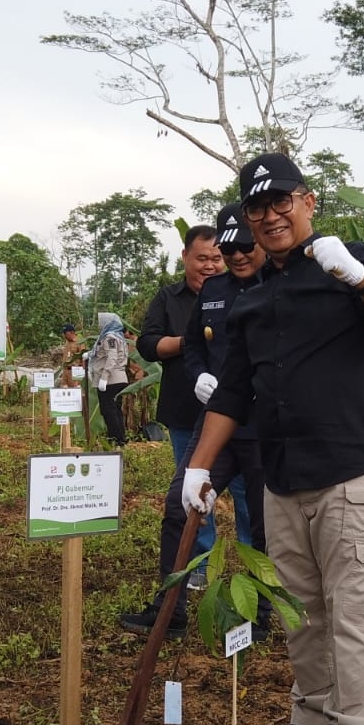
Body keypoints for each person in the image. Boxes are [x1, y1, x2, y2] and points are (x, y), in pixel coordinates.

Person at [182, 153, 364, 725]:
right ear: (247, 221)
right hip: (284, 477)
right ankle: (309, 720)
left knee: (352, 614)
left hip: (353, 473)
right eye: (256, 207)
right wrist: (197, 466)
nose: (270, 214)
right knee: (299, 612)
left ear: (307, 200)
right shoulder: (251, 301)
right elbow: (231, 393)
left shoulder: (352, 261)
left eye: (281, 200)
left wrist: (360, 278)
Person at [119, 203, 270, 640]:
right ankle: (171, 609)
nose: (237, 256)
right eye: (229, 248)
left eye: (245, 246)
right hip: (215, 423)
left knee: (261, 522)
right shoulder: (214, 290)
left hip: (263, 428)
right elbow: (194, 345)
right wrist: (199, 374)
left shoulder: (279, 285)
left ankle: (259, 616)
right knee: (179, 506)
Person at [138, 225, 234, 582]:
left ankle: (258, 566)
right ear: (185, 258)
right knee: (192, 494)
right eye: (202, 258)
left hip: (236, 415)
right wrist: (189, 342)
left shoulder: (238, 292)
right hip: (185, 411)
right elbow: (147, 344)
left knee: (246, 494)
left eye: (216, 258)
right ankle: (198, 566)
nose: (210, 265)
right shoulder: (168, 298)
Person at [90, 312, 130, 446]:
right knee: (115, 409)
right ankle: (120, 437)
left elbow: (112, 357)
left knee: (108, 410)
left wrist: (104, 377)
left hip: (110, 379)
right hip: (120, 378)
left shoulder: (110, 337)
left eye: (102, 322)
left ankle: (116, 438)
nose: (100, 326)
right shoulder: (119, 337)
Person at [56, 323, 86, 388]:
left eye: (66, 334)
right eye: (64, 334)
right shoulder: (67, 342)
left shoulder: (80, 342)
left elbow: (83, 358)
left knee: (75, 392)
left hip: (75, 372)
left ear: (72, 332)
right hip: (65, 371)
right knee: (65, 392)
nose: (64, 336)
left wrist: (82, 374)